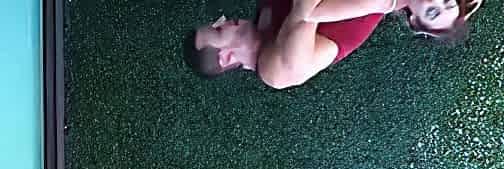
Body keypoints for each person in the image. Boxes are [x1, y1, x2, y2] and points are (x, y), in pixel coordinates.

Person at [183, 0, 484, 89]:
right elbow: (307, 12)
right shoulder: (276, 72)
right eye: (218, 29)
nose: (224, 21)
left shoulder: (264, 12)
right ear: (226, 57)